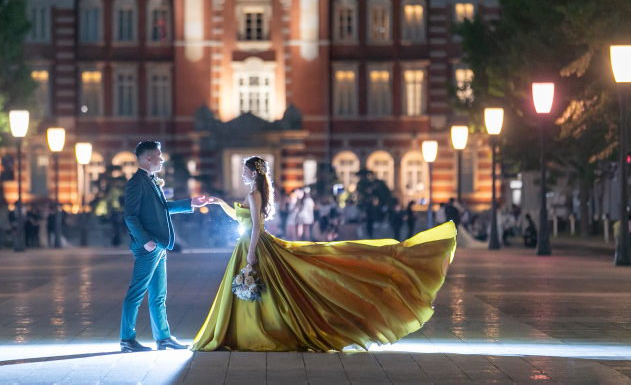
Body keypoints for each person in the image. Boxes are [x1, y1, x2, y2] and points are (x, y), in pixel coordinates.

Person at [192, 155, 457, 352]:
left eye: (244, 170)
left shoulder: (254, 194)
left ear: (252, 172)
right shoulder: (254, 193)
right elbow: (244, 220)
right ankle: (253, 330)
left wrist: (251, 253)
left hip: (252, 246)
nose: (242, 173)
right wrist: (220, 203)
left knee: (271, 289)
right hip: (251, 243)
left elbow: (256, 227)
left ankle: (257, 331)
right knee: (270, 290)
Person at [119, 141, 211, 353]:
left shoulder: (151, 181)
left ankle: (163, 337)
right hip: (149, 247)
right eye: (159, 156)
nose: (162, 159)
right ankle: (127, 339)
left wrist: (191, 203)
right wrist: (145, 241)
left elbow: (163, 208)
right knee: (136, 292)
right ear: (148, 158)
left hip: (159, 245)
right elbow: (130, 216)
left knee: (159, 294)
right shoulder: (136, 183)